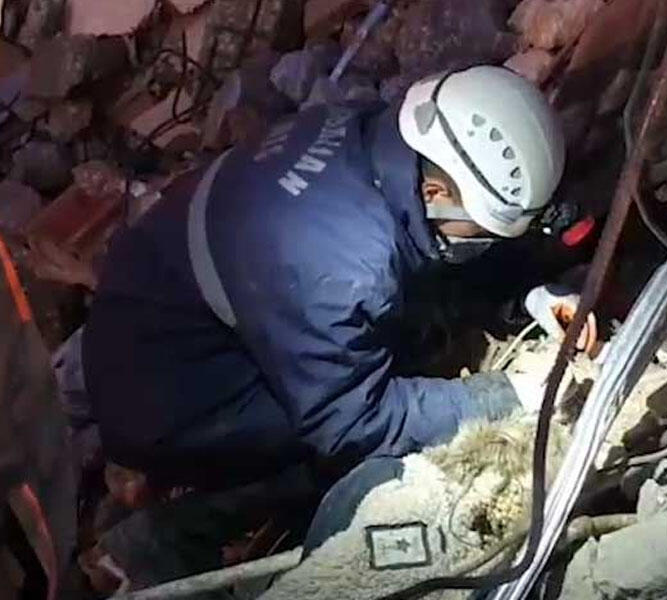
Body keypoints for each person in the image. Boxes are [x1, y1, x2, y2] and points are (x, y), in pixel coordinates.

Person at [82, 65, 585, 497]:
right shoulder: (342, 276)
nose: (487, 243)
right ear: (435, 192)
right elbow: (352, 421)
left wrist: (530, 294)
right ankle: (174, 533)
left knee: (420, 299)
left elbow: (431, 238)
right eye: (486, 232)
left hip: (171, 276)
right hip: (161, 386)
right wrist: (504, 396)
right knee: (340, 453)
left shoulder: (376, 133)